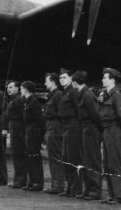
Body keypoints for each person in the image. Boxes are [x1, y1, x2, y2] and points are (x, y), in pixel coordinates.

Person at [98, 68, 121, 204]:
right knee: (108, 164)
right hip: (107, 130)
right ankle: (112, 195)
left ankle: (119, 196)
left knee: (115, 163)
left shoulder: (116, 95)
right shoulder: (106, 95)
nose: (103, 80)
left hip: (115, 130)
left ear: (112, 80)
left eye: (105, 78)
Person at [75, 71, 104, 200]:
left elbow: (97, 115)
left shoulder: (87, 95)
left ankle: (95, 190)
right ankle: (88, 189)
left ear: (75, 82)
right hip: (85, 130)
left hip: (91, 130)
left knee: (92, 160)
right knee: (86, 160)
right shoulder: (83, 94)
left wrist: (98, 132)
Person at [58, 69, 82, 197]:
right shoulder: (64, 92)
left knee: (73, 158)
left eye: (64, 77)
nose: (62, 79)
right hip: (66, 127)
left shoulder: (72, 92)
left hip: (73, 127)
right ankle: (69, 187)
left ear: (71, 79)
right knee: (66, 157)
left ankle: (76, 188)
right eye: (60, 77)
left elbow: (78, 110)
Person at [43, 73, 65, 194]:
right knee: (52, 157)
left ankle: (58, 185)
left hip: (55, 128)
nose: (45, 83)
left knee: (56, 157)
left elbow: (61, 113)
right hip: (51, 126)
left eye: (47, 81)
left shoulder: (57, 95)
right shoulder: (52, 95)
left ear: (53, 82)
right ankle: (55, 184)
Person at [3, 80, 27, 188]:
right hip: (13, 127)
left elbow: (23, 115)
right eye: (8, 87)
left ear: (17, 88)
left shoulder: (18, 100)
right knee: (16, 154)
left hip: (18, 128)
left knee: (18, 154)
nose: (8, 89)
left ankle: (20, 180)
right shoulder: (13, 100)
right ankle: (19, 180)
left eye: (11, 87)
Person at [21, 81, 46, 191]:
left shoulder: (34, 102)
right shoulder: (28, 101)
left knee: (34, 156)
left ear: (26, 89)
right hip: (29, 130)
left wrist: (40, 134)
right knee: (30, 156)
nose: (21, 91)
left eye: (21, 88)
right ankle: (32, 181)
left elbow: (40, 119)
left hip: (34, 131)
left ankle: (37, 182)